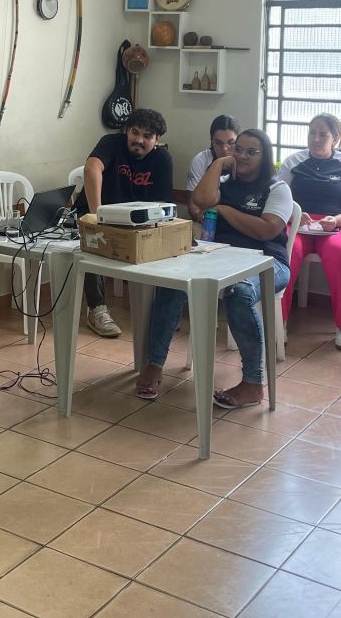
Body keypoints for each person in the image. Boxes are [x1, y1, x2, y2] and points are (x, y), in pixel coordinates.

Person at [135, 128, 291, 407]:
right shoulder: (224, 183)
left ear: (264, 156)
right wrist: (219, 164)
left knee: (240, 293)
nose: (243, 156)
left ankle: (253, 383)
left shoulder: (277, 188)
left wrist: (225, 210)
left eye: (251, 152)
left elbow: (267, 230)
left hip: (268, 262)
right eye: (238, 149)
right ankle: (155, 364)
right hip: (218, 257)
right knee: (171, 282)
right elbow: (200, 201)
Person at [74, 108, 173, 337]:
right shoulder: (111, 143)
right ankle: (96, 309)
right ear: (127, 131)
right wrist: (97, 216)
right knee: (94, 243)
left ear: (157, 140)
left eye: (147, 136)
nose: (139, 140)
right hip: (97, 213)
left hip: (135, 220)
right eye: (134, 132)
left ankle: (160, 311)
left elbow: (163, 205)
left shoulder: (162, 159)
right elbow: (91, 168)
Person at [276, 114, 341, 349]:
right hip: (299, 224)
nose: (316, 139)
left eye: (323, 135)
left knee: (339, 252)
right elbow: (277, 199)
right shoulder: (293, 162)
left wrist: (335, 220)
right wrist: (294, 215)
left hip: (340, 226)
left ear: (335, 139)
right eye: (312, 133)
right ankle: (279, 323)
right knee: (285, 251)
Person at [185, 115, 240, 220]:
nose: (224, 149)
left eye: (231, 143)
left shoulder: (243, 161)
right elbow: (194, 208)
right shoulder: (201, 160)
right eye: (218, 143)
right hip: (209, 220)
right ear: (211, 141)